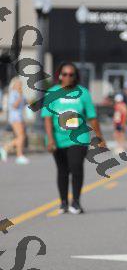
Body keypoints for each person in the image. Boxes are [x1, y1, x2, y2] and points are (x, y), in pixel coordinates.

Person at [41, 62, 106, 214]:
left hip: (79, 137)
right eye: (65, 74)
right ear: (59, 76)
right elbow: (47, 118)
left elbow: (92, 117)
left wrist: (99, 137)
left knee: (76, 167)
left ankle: (75, 202)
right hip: (58, 138)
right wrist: (50, 139)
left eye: (71, 74)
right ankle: (63, 202)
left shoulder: (83, 93)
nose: (68, 77)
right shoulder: (52, 92)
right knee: (62, 170)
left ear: (76, 76)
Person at [0, 77, 30, 164]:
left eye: (20, 84)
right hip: (15, 118)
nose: (20, 86)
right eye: (18, 84)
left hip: (20, 117)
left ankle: (5, 148)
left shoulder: (20, 94)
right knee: (21, 136)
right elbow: (14, 106)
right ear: (13, 85)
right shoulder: (13, 93)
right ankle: (18, 155)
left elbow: (25, 104)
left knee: (21, 136)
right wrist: (20, 97)